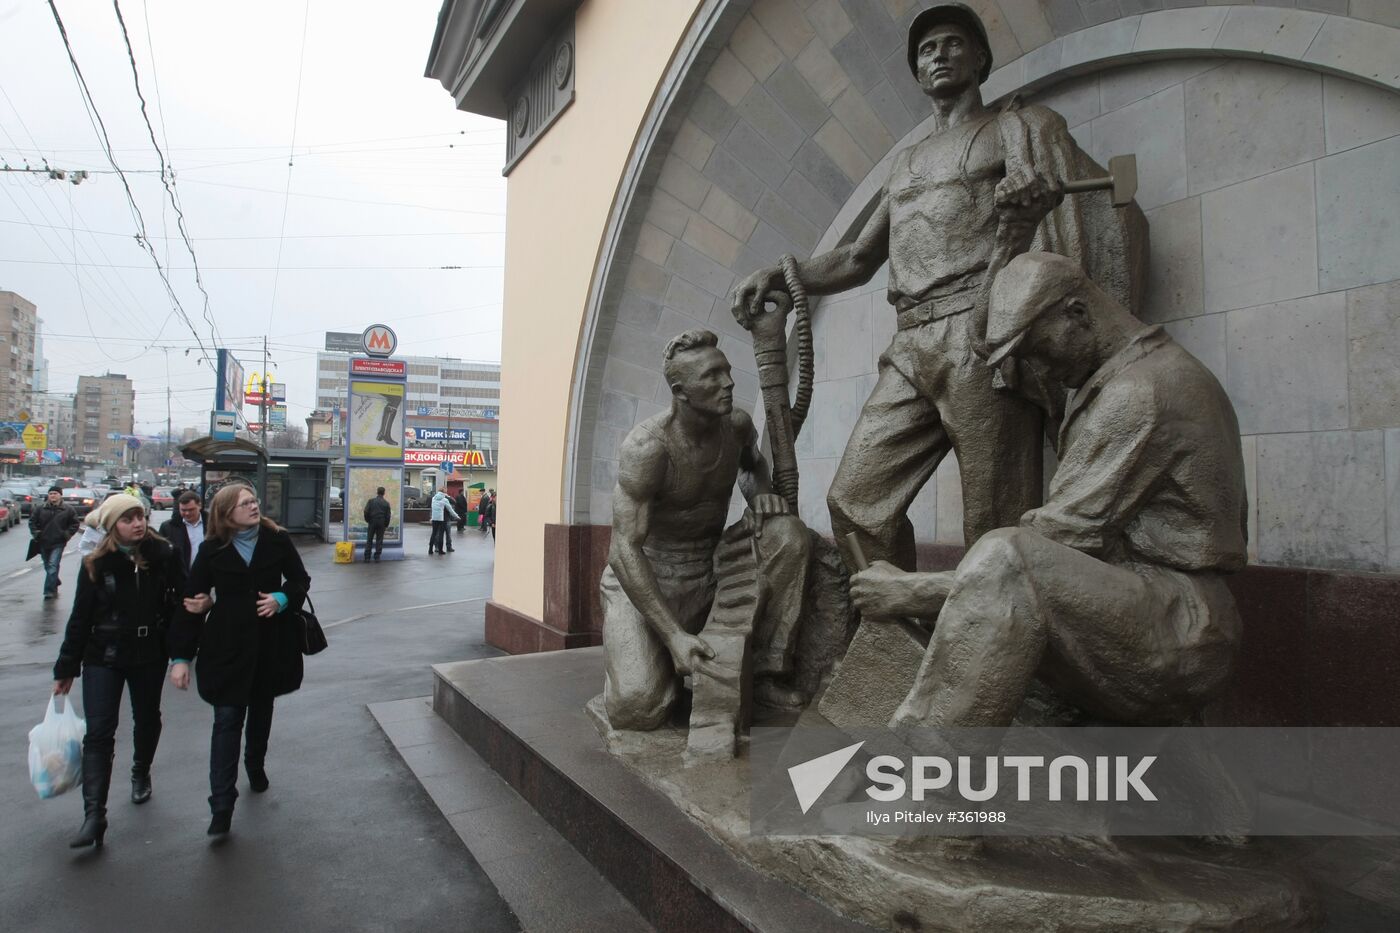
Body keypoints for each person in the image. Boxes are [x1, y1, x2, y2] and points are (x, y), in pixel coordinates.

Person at [732, 3, 1140, 572]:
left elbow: (1064, 216)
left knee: (994, 524)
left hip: (981, 335)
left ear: (980, 58)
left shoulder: (1016, 128)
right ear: (917, 72)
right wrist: (782, 273)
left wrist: (1033, 195)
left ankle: (996, 650)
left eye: (952, 43)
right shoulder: (904, 165)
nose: (939, 55)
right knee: (854, 503)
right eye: (927, 50)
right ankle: (894, 640)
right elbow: (856, 257)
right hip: (910, 346)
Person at [850, 253, 1247, 734]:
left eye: (1038, 349)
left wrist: (907, 591)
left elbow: (1034, 561)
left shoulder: (1143, 392)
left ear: (1077, 313)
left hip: (1180, 626)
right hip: (1157, 608)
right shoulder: (1126, 375)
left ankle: (932, 774)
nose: (1040, 367)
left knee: (1007, 552)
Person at [602, 330, 810, 728]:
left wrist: (761, 495)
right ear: (681, 391)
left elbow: (752, 468)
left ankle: (766, 670)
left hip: (711, 567)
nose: (728, 383)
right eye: (712, 376)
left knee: (788, 536)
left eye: (727, 372)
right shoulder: (648, 448)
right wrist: (672, 635)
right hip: (650, 579)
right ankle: (638, 656)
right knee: (639, 709)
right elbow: (623, 551)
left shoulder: (735, 427)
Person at [168, 484, 311, 837]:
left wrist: (282, 597)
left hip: (269, 644)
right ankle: (221, 804)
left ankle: (255, 763)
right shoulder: (212, 548)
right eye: (244, 503)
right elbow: (191, 603)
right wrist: (181, 657)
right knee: (227, 720)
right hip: (226, 648)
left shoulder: (275, 538)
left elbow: (300, 580)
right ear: (226, 512)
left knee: (261, 711)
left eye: (254, 501)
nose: (253, 506)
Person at [51, 494, 185, 848]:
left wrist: (181, 650)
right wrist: (66, 668)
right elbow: (79, 618)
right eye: (128, 519)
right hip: (103, 655)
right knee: (98, 732)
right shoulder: (96, 562)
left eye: (140, 516)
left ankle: (141, 771)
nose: (138, 523)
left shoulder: (163, 555)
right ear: (113, 526)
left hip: (147, 653)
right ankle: (94, 815)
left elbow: (184, 598)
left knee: (147, 717)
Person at [30, 486, 79, 600]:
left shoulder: (68, 509)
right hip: (43, 542)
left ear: (60, 495)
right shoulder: (40, 508)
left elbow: (75, 524)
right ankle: (54, 581)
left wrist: (66, 535)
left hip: (58, 542)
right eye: (51, 493)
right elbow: (32, 522)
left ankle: (49, 591)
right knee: (48, 565)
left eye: (55, 493)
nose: (53, 495)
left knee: (52, 565)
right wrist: (36, 533)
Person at [159, 490, 206, 573]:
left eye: (191, 510)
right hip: (181, 580)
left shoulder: (213, 524)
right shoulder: (168, 527)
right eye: (183, 510)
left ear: (200, 506)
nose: (187, 513)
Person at [363, 486, 391, 561]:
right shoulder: (386, 503)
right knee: (379, 540)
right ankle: (377, 557)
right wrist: (386, 524)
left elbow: (366, 511)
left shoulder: (371, 501)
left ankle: (367, 557)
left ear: (377, 492)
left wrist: (368, 520)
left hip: (372, 521)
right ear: (384, 493)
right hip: (381, 522)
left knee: (369, 539)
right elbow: (388, 516)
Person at [429, 487, 458, 555]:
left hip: (440, 518)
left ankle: (437, 548)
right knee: (442, 534)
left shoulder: (435, 498)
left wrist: (431, 517)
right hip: (443, 519)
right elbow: (453, 505)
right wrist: (457, 516)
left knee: (437, 534)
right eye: (445, 491)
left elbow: (432, 509)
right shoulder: (444, 499)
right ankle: (440, 548)